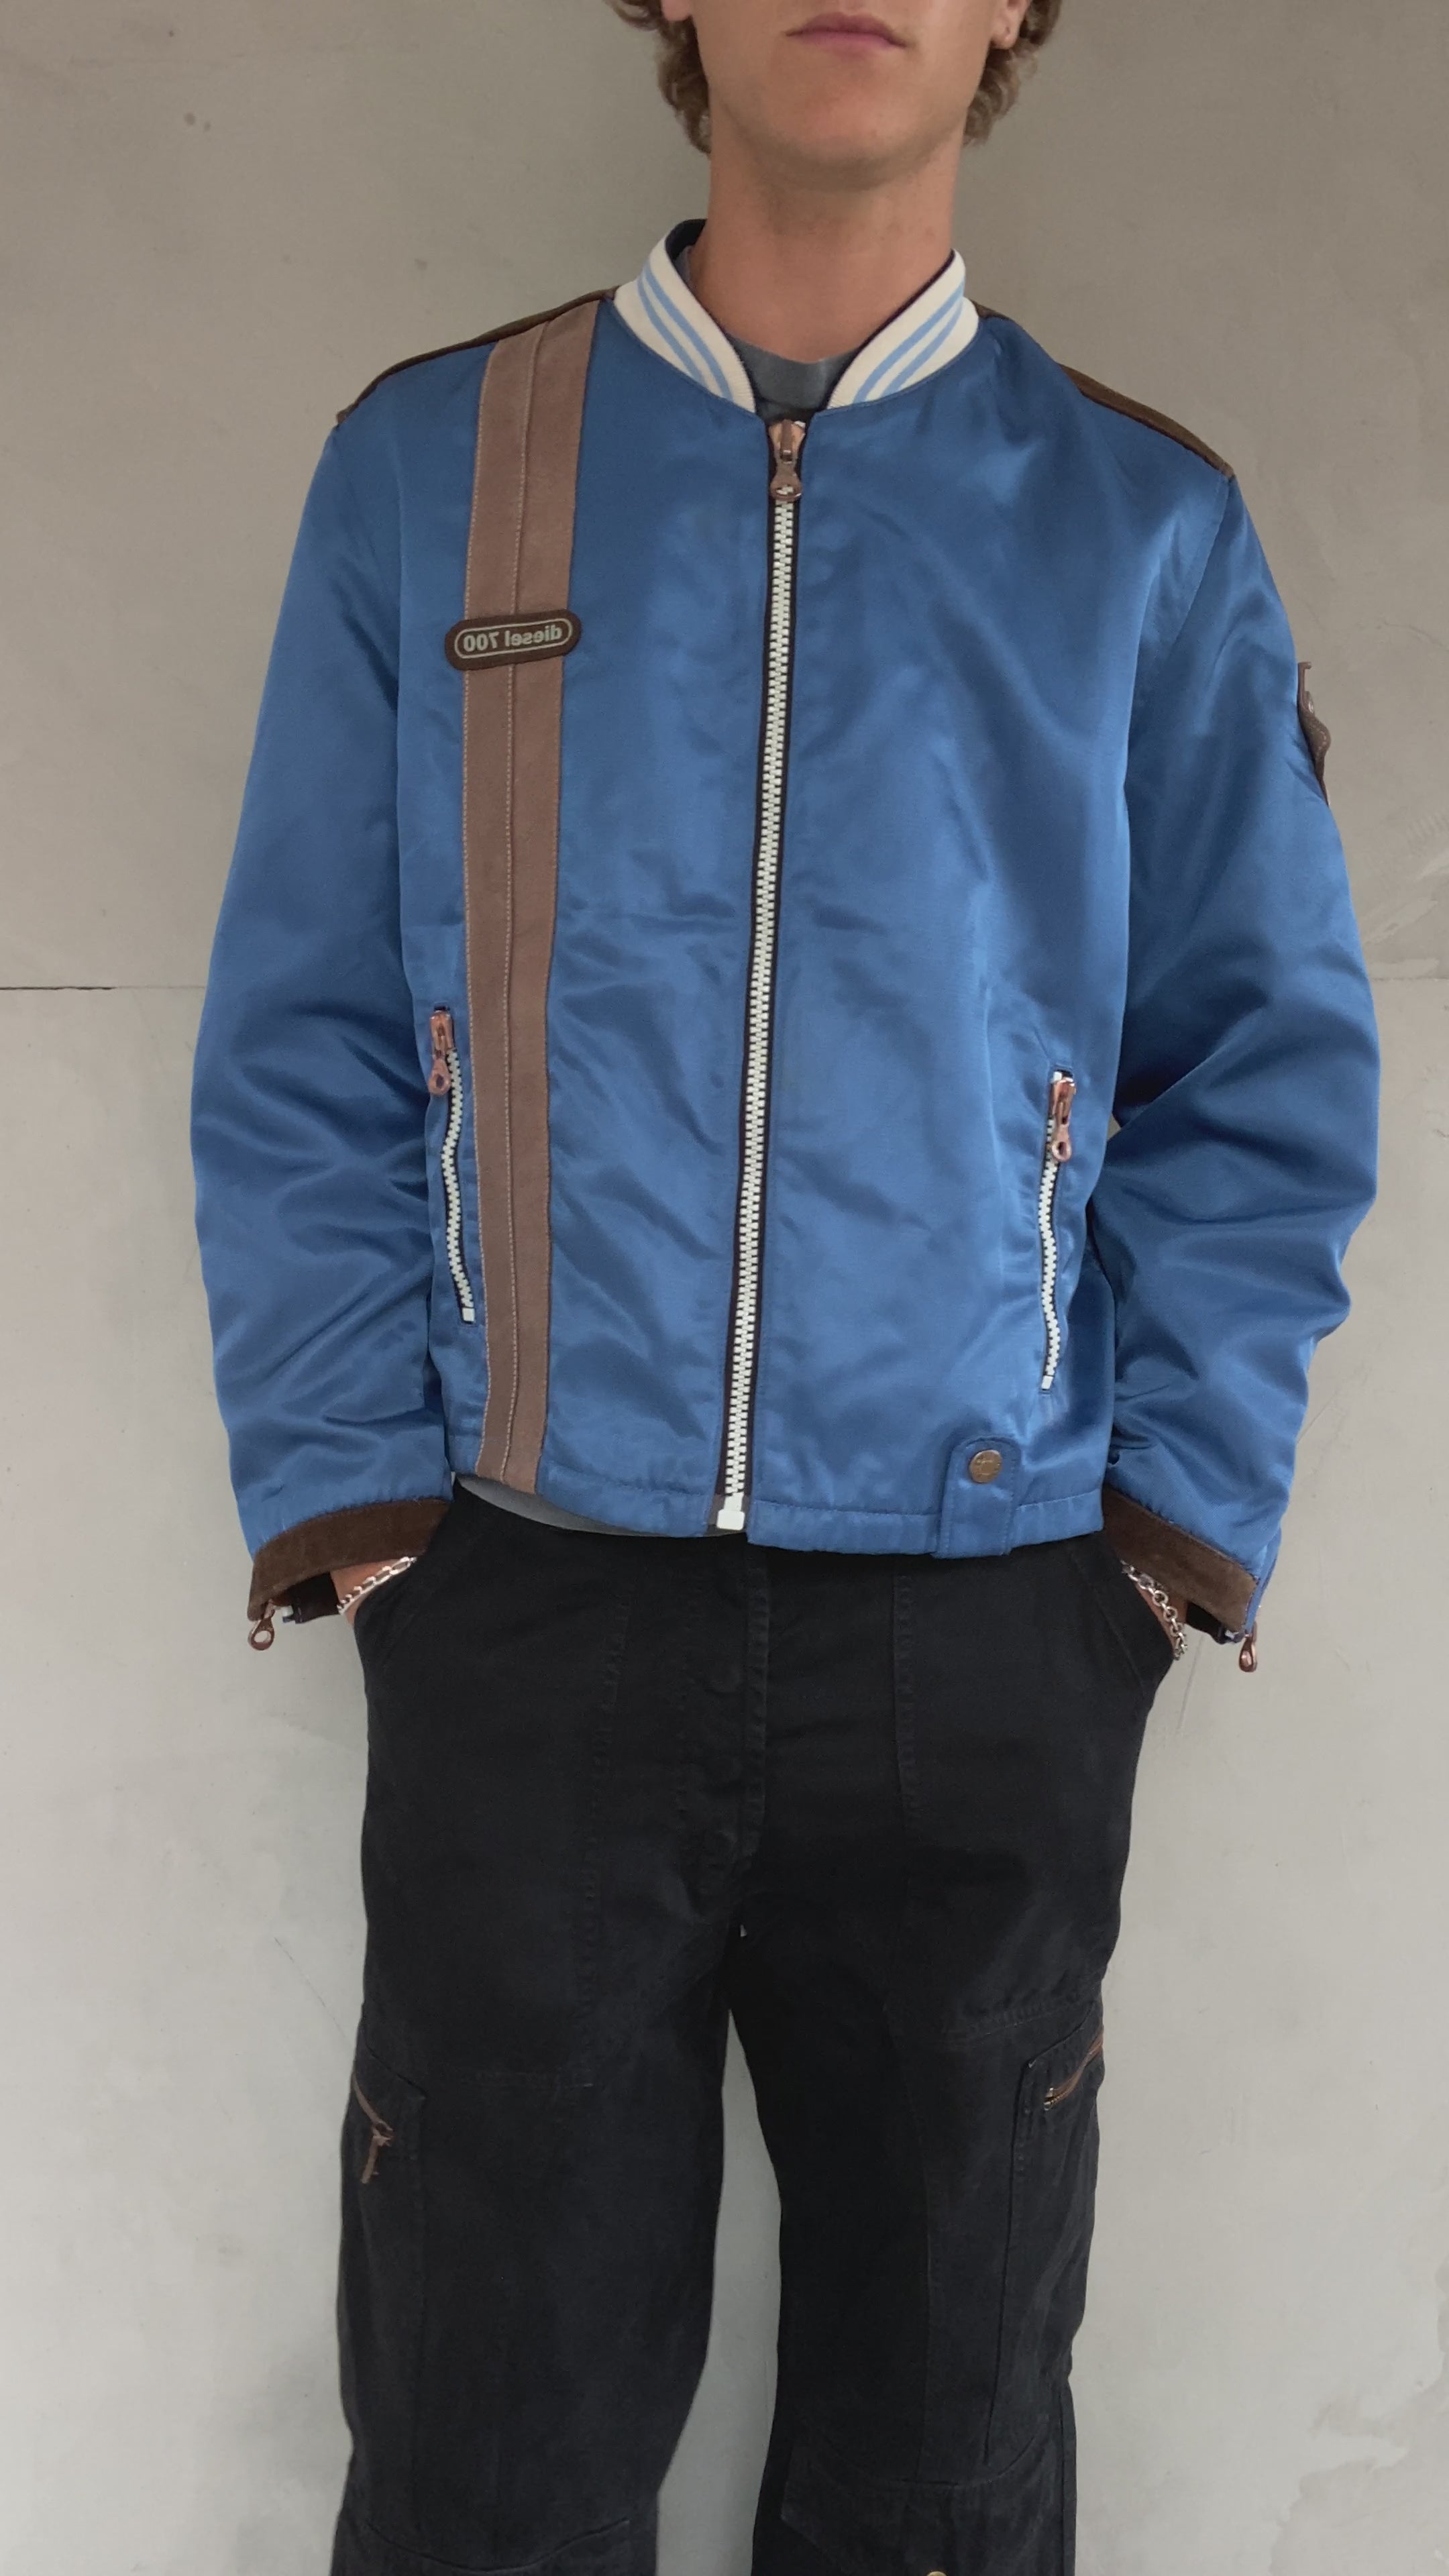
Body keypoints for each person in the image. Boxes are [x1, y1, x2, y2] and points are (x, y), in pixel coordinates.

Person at [189, 1, 1380, 2568]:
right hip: (531, 1606)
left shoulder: (1141, 528)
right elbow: (302, 1026)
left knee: (943, 2468)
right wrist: (364, 1500)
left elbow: (1263, 1073)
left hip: (987, 1625)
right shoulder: (439, 468)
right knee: (486, 2473)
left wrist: (1161, 1543)